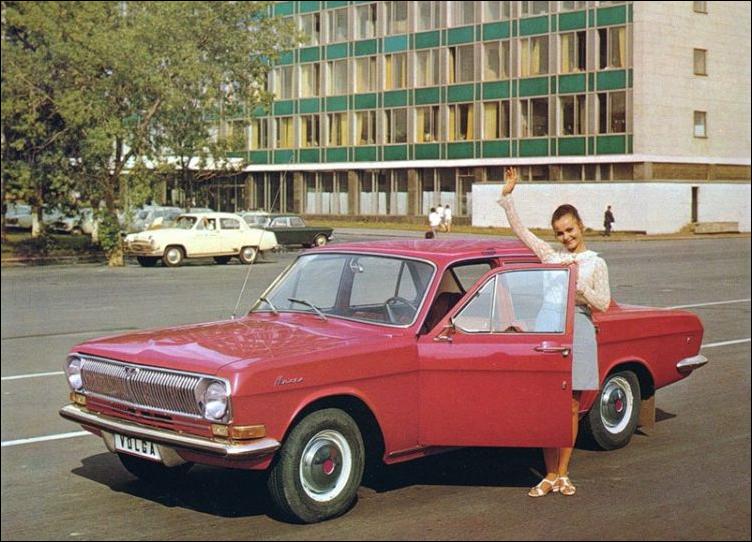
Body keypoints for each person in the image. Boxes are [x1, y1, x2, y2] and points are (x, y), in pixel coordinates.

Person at [497, 167, 611, 498]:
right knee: (549, 404)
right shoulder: (551, 256)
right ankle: (548, 474)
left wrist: (579, 288)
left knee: (572, 406)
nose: (566, 237)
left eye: (570, 230)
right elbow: (521, 232)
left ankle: (563, 473)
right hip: (549, 328)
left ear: (581, 226)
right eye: (560, 233)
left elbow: (603, 304)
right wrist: (508, 196)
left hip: (580, 327)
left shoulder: (595, 262)